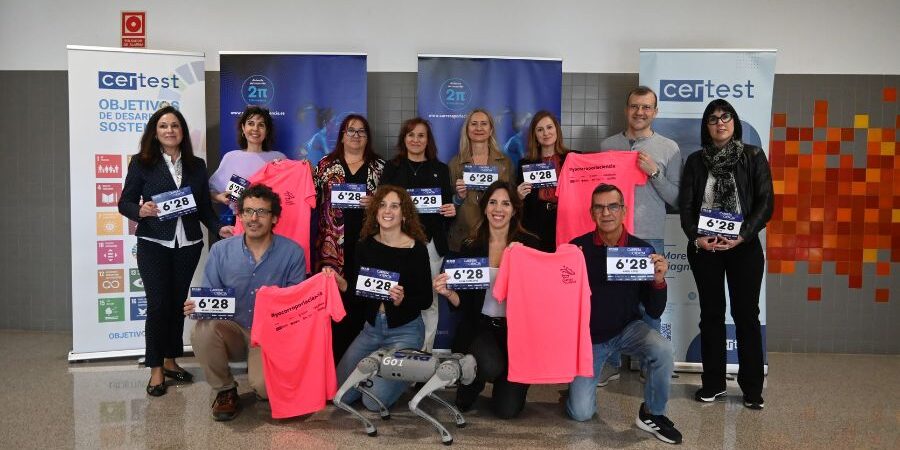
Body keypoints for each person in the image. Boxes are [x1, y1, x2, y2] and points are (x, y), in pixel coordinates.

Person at [118, 106, 233, 397]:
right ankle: (156, 367)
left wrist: (219, 229)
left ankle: (170, 360)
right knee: (158, 305)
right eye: (163, 126)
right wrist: (139, 210)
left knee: (176, 304)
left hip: (189, 244)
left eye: (175, 126)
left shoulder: (197, 165)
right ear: (155, 133)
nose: (170, 130)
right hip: (154, 243)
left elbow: (205, 208)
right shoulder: (142, 164)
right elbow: (125, 202)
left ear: (182, 131)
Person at [566, 183, 681, 445]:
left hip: (628, 329)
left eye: (613, 206)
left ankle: (653, 413)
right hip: (590, 338)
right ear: (592, 212)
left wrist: (659, 280)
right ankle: (573, 389)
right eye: (599, 207)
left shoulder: (642, 250)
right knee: (580, 413)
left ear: (624, 211)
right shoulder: (577, 249)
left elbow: (654, 309)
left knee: (662, 349)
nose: (606, 212)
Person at [679, 99, 773, 410]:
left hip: (742, 248)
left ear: (734, 122)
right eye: (713, 119)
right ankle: (714, 383)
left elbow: (765, 203)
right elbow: (687, 208)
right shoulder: (695, 161)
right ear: (705, 127)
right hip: (706, 249)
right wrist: (697, 237)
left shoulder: (753, 156)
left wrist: (743, 235)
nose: (720, 123)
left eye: (726, 117)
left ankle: (751, 389)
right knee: (712, 315)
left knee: (746, 317)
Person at [183, 184, 306, 421]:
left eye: (262, 212)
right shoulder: (220, 251)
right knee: (203, 330)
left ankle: (264, 379)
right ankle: (225, 390)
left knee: (264, 390)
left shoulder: (293, 253)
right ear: (239, 216)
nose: (254, 218)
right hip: (234, 330)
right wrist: (198, 307)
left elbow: (296, 307)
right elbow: (209, 295)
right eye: (248, 211)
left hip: (271, 335)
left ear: (275, 218)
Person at [596, 86, 682, 386]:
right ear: (626, 109)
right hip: (611, 235)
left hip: (648, 237)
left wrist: (654, 172)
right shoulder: (607, 145)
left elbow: (677, 198)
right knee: (607, 300)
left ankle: (650, 361)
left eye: (646, 107)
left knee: (649, 302)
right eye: (634, 106)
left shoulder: (669, 148)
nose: (640, 112)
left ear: (655, 112)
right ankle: (610, 362)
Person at [433, 181, 539, 419]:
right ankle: (473, 379)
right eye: (492, 202)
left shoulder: (531, 244)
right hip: (480, 329)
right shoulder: (471, 246)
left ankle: (509, 380)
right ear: (484, 207)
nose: (498, 209)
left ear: (514, 210)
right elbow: (464, 303)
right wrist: (448, 292)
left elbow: (542, 292)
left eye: (505, 203)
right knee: (490, 365)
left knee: (507, 411)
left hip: (516, 334)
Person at [328, 185, 432, 411]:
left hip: (406, 331)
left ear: (404, 214)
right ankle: (381, 368)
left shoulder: (417, 249)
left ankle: (397, 373)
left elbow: (426, 300)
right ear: (375, 211)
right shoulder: (364, 245)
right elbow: (358, 294)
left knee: (372, 403)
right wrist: (341, 283)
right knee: (338, 395)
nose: (388, 211)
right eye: (383, 205)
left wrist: (402, 300)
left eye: (395, 206)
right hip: (371, 330)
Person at [314, 114, 385, 360]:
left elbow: (393, 205)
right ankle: (332, 363)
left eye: (361, 131)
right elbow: (309, 199)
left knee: (363, 298)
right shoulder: (325, 165)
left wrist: (377, 202)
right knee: (333, 301)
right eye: (350, 130)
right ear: (342, 136)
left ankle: (361, 362)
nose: (356, 135)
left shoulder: (379, 167)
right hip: (331, 246)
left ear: (368, 138)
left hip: (369, 246)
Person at [380, 118, 455, 351]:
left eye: (421, 135)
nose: (415, 140)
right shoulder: (392, 168)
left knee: (429, 302)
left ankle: (424, 357)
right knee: (398, 296)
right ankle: (398, 355)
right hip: (397, 243)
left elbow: (447, 208)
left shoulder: (441, 170)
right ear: (404, 139)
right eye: (411, 135)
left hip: (431, 244)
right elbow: (382, 207)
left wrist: (451, 210)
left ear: (428, 140)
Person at [447, 109, 515, 252]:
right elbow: (448, 205)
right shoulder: (454, 164)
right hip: (463, 237)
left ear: (491, 130)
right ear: (467, 129)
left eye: (484, 124)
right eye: (474, 124)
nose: (478, 128)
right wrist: (458, 198)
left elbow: (512, 200)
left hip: (497, 238)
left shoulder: (505, 163)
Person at [209, 106, 287, 225]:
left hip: (273, 223)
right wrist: (219, 197)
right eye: (251, 123)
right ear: (243, 128)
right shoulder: (231, 158)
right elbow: (210, 190)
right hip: (241, 222)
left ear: (267, 131)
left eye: (261, 125)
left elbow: (291, 191)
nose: (255, 128)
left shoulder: (279, 158)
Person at [515, 110, 573, 252]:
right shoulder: (525, 163)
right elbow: (517, 203)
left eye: (549, 127)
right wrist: (518, 196)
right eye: (540, 130)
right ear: (535, 135)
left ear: (557, 130)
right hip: (535, 223)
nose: (546, 133)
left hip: (565, 220)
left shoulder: (572, 158)